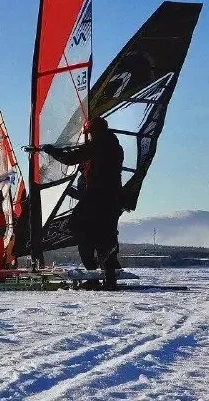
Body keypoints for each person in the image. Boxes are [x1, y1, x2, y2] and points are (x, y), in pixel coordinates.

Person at [41, 116, 124, 290]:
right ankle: (107, 277)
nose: (90, 137)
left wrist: (51, 151)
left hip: (97, 198)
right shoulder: (114, 146)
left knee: (78, 228)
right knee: (104, 235)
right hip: (111, 199)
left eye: (90, 134)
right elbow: (94, 167)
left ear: (95, 133)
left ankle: (95, 275)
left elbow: (70, 159)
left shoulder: (98, 145)